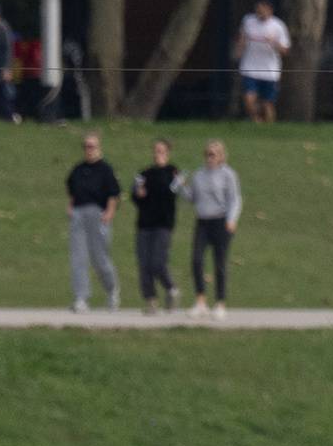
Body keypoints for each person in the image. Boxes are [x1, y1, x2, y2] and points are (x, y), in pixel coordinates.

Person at [180, 139, 241, 320]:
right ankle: (200, 301)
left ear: (221, 156)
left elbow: (234, 199)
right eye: (207, 154)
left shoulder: (228, 174)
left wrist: (231, 219)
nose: (210, 157)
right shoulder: (199, 175)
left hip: (220, 221)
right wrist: (182, 186)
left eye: (213, 154)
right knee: (197, 259)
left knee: (219, 263)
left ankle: (220, 303)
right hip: (203, 221)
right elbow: (192, 198)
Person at [66, 131, 121, 312]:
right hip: (79, 214)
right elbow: (73, 190)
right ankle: (81, 297)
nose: (88, 150)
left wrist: (109, 212)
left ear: (98, 147)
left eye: (92, 146)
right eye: (86, 146)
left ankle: (112, 290)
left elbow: (113, 193)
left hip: (98, 214)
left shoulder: (105, 169)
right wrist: (71, 207)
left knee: (100, 258)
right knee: (78, 258)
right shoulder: (78, 169)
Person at [129, 138, 181, 312]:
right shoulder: (144, 174)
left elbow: (173, 192)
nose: (158, 153)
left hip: (163, 224)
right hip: (144, 223)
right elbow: (135, 195)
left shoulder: (173, 172)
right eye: (156, 150)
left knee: (157, 262)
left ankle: (171, 288)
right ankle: (150, 300)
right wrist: (138, 193)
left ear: (167, 152)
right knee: (144, 264)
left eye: (161, 150)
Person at [234, 0, 290, 123]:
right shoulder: (248, 21)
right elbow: (241, 39)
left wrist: (274, 42)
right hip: (250, 67)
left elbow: (285, 50)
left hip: (270, 70)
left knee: (267, 103)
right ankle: (256, 121)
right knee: (249, 98)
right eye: (257, 10)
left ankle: (269, 127)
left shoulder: (278, 26)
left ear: (269, 10)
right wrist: (239, 50)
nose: (259, 13)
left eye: (262, 10)